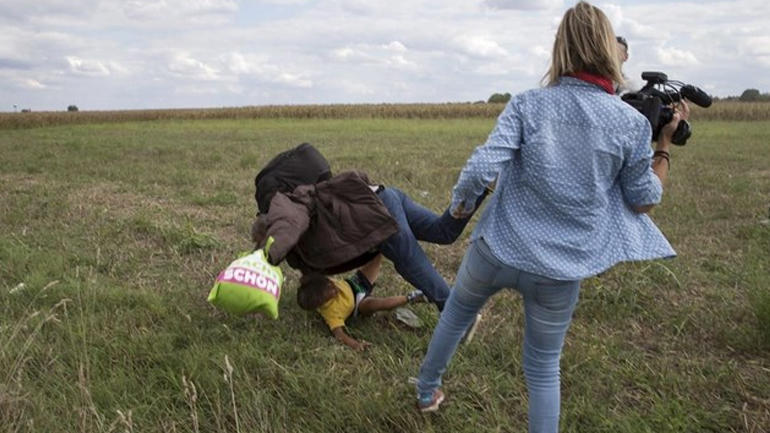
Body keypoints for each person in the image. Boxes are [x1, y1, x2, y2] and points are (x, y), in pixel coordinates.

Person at [414, 2, 689, 432]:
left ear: (560, 47)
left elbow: (480, 169)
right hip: (561, 269)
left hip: (496, 250)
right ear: (608, 49)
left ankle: (426, 390)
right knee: (543, 368)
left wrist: (460, 209)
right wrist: (664, 148)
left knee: (455, 316)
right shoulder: (631, 124)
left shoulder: (527, 105)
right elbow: (643, 200)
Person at [252, 170, 491, 313]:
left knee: (409, 260)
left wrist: (262, 257)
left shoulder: (290, 214)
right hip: (382, 196)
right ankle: (478, 186)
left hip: (374, 214)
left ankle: (457, 313)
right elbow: (311, 277)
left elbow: (286, 230)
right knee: (443, 232)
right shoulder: (302, 256)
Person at [297, 253, 426, 351]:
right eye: (330, 291)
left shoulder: (318, 284)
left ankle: (382, 245)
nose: (333, 285)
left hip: (356, 283)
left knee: (376, 257)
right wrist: (356, 345)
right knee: (376, 304)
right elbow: (340, 335)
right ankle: (412, 297)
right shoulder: (331, 313)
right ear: (322, 302)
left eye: (329, 283)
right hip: (359, 304)